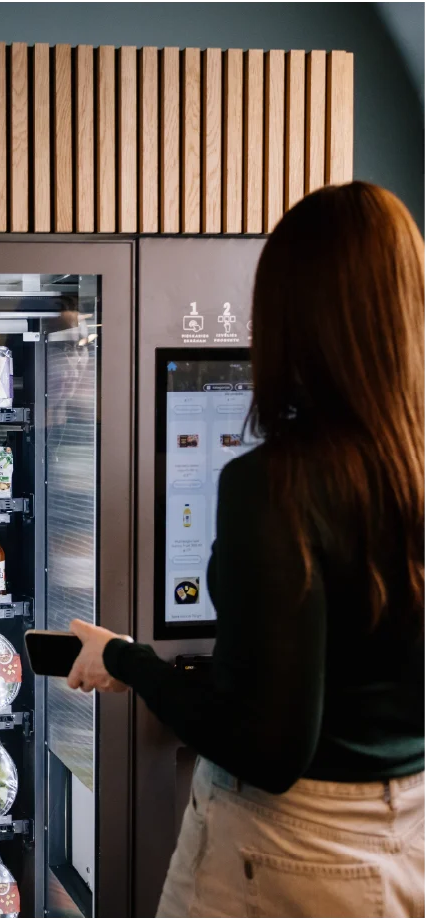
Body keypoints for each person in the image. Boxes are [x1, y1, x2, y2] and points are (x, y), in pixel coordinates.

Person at [68, 182, 425, 918]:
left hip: (284, 857)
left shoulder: (275, 484)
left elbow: (266, 744)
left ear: (290, 318)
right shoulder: (410, 468)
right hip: (406, 837)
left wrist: (127, 659)